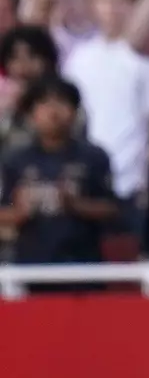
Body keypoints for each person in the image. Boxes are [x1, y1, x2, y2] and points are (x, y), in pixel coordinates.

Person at [0, 76, 117, 263]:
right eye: (44, 103)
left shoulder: (94, 157)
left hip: (82, 262)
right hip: (31, 264)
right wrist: (20, 212)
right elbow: (5, 212)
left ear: (75, 111)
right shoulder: (15, 160)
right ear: (30, 115)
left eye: (62, 103)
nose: (53, 112)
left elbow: (112, 209)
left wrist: (75, 204)